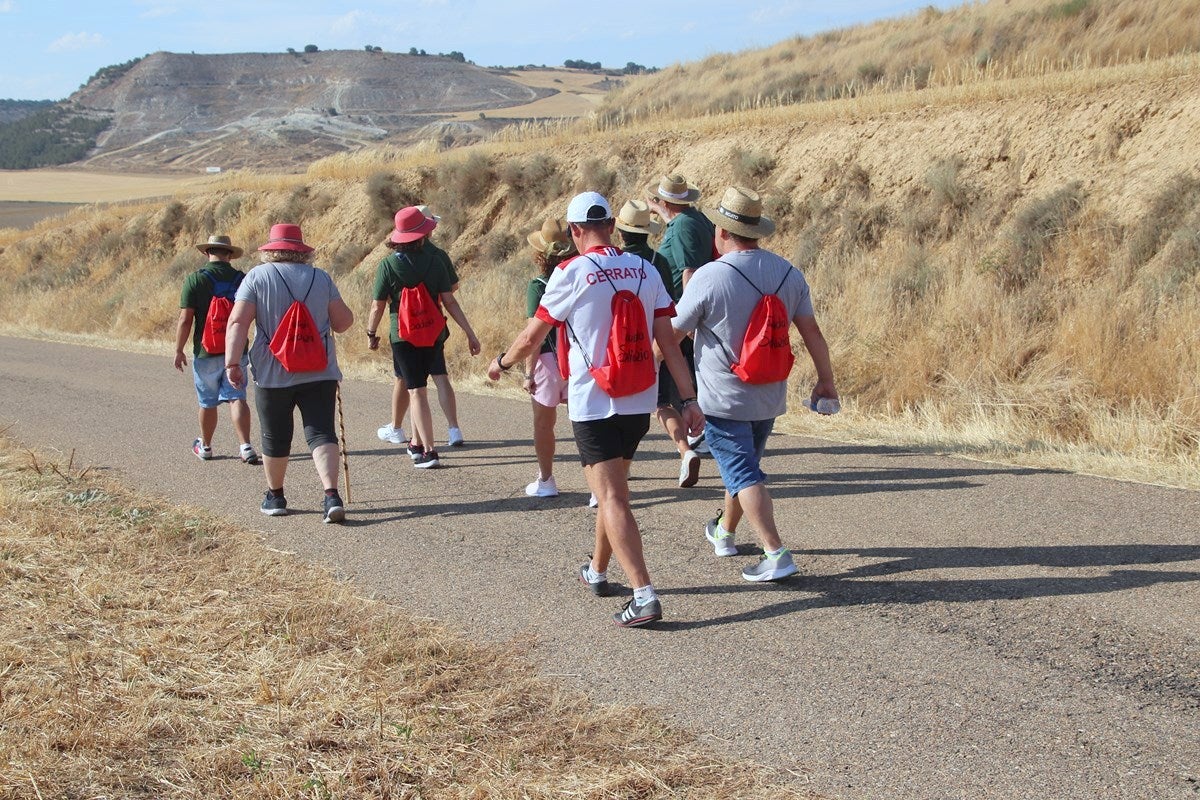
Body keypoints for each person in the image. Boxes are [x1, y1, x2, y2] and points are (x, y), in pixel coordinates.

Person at [487, 191, 703, 628]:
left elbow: (533, 336)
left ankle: (644, 594)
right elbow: (671, 343)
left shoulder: (570, 271)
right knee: (613, 491)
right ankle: (599, 571)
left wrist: (501, 363)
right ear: (612, 225)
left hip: (594, 400)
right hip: (639, 397)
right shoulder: (645, 268)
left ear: (574, 231)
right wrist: (689, 399)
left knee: (612, 497)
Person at [671, 186, 839, 581]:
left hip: (723, 399)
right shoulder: (788, 272)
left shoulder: (709, 276)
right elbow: (812, 332)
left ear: (722, 232)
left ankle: (775, 552)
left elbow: (672, 335)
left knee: (744, 473)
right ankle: (725, 533)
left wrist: (651, 378)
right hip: (769, 394)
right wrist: (826, 381)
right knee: (742, 468)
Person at [224, 223, 354, 523]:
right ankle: (331, 495)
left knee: (275, 435)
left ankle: (276, 496)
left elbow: (238, 322)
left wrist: (233, 362)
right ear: (301, 251)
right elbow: (343, 322)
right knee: (321, 432)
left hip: (272, 372)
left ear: (271, 250)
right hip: (319, 369)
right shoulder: (321, 278)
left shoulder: (256, 277)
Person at [366, 206, 480, 469]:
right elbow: (449, 300)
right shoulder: (436, 260)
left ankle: (429, 452)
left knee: (416, 391)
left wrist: (371, 333)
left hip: (403, 336)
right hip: (434, 331)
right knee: (433, 382)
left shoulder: (387, 265)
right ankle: (416, 443)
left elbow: (377, 306)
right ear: (422, 235)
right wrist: (469, 333)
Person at [615, 199, 701, 489]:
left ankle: (629, 463)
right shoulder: (658, 262)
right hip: (662, 334)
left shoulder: (616, 263)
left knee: (643, 405)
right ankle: (685, 448)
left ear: (621, 233)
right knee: (662, 400)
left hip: (627, 342)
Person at [173, 234, 259, 465]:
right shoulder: (243, 279)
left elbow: (185, 319)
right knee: (236, 396)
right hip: (237, 348)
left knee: (207, 401)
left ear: (206, 252)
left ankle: (206, 446)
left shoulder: (195, 280)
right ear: (230, 254)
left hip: (206, 351)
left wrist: (179, 349)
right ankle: (246, 446)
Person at [646, 174, 716, 456]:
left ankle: (697, 431)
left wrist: (690, 315)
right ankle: (701, 429)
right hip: (685, 306)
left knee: (669, 367)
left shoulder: (683, 226)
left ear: (666, 200)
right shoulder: (693, 219)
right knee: (691, 368)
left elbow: (689, 270)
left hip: (680, 308)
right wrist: (662, 212)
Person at [521, 218, 575, 497]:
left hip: (548, 360)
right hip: (579, 358)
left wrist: (528, 373)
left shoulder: (539, 284)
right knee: (587, 425)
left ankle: (546, 480)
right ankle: (598, 486)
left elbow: (535, 332)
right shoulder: (579, 276)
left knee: (544, 424)